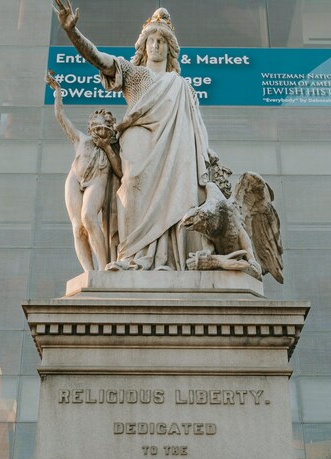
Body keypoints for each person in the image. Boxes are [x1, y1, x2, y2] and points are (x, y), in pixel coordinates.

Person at [53, 1, 217, 271]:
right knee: (129, 188)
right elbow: (97, 57)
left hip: (175, 150)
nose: (156, 46)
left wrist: (205, 153)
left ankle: (169, 258)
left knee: (181, 192)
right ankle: (132, 256)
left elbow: (196, 127)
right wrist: (73, 33)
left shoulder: (181, 86)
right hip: (137, 146)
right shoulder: (132, 73)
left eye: (162, 41)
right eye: (151, 40)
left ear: (170, 48)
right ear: (143, 46)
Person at [46, 70, 121, 272]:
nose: (99, 131)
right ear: (90, 128)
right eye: (96, 127)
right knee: (78, 227)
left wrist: (106, 146)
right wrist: (57, 93)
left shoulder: (112, 148)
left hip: (98, 180)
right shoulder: (81, 139)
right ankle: (89, 273)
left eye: (104, 128)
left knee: (89, 217)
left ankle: (104, 267)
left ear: (110, 130)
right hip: (75, 179)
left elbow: (121, 173)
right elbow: (61, 117)